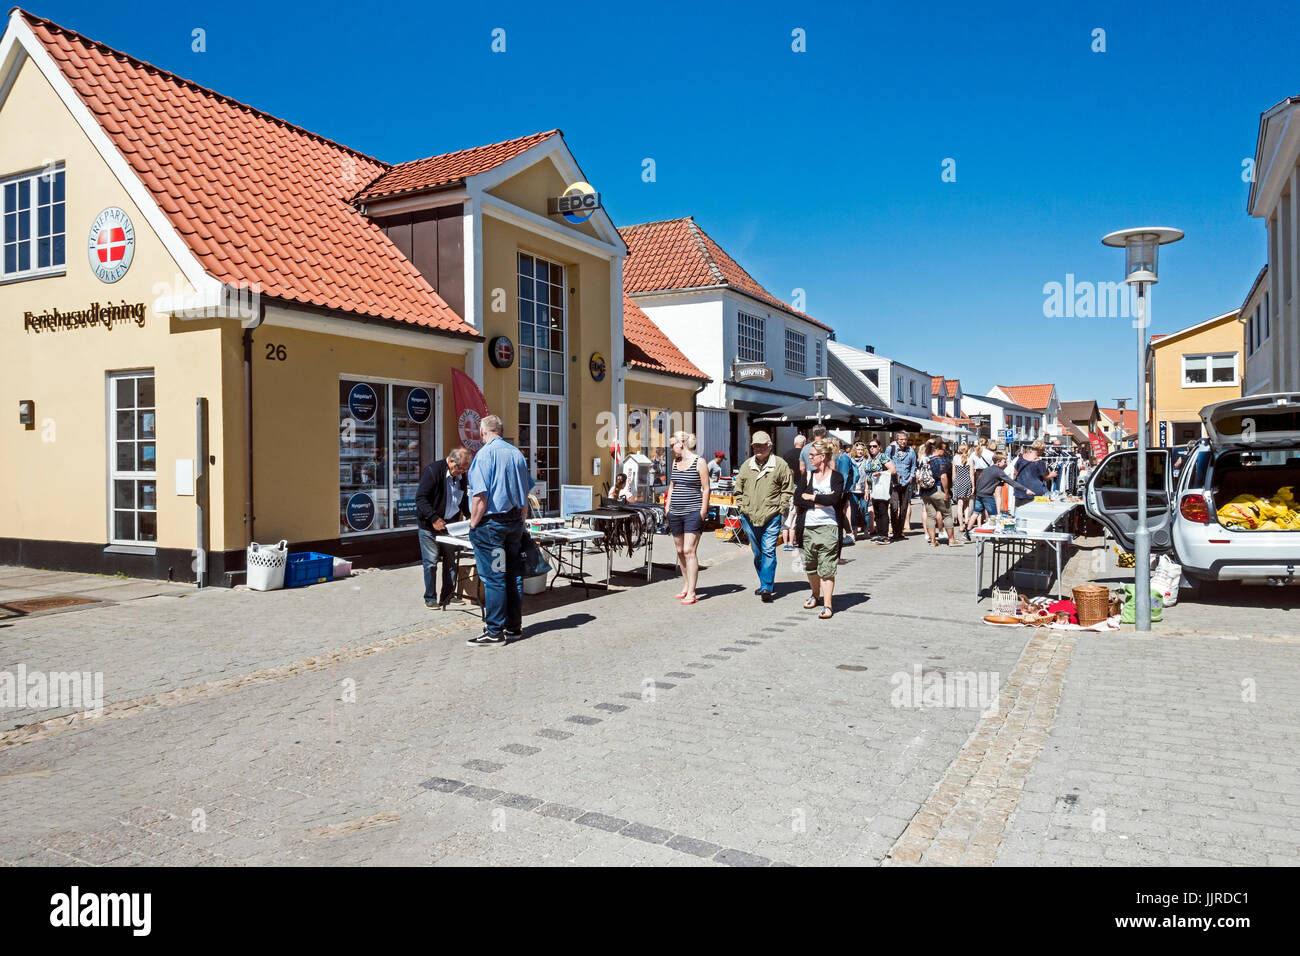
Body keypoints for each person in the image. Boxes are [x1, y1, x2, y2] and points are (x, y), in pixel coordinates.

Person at [465, 415, 533, 646]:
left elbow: (480, 497)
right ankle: (514, 627)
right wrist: (521, 524)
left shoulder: (484, 455)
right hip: (513, 522)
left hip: (492, 526)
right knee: (513, 575)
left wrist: (473, 524)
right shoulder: (516, 454)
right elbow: (525, 497)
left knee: (494, 578)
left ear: (482, 432)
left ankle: (494, 630)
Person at [734, 431, 794, 603]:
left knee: (768, 550)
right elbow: (738, 488)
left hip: (772, 515)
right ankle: (765, 582)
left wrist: (781, 507)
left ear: (770, 446)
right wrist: (742, 505)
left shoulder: (780, 465)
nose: (758, 448)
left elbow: (787, 488)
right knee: (757, 552)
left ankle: (767, 586)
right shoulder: (747, 465)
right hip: (749, 516)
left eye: (761, 445)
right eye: (755, 446)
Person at [415, 447, 472, 609]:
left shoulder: (461, 475)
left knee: (450, 561)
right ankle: (430, 597)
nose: (461, 471)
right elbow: (420, 499)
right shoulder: (433, 471)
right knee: (431, 562)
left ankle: (447, 595)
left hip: (450, 526)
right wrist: (433, 518)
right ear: (451, 461)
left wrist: (468, 514)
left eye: (464, 469)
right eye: (459, 467)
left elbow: (462, 498)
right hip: (430, 525)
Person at [794, 438, 845, 619]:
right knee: (811, 567)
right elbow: (797, 499)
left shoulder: (836, 477)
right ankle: (815, 594)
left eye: (812, 455)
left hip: (829, 527)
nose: (809, 458)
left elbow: (834, 500)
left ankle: (828, 604)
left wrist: (812, 497)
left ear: (822, 457)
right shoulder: (807, 476)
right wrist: (817, 500)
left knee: (827, 568)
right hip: (807, 527)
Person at [665, 430, 710, 605]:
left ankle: (692, 591)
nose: (671, 449)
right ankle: (686, 585)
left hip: (693, 511)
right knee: (679, 551)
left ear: (680, 444)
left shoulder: (700, 462)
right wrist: (667, 506)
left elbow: (706, 488)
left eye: (671, 445)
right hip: (675, 512)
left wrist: (703, 511)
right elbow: (672, 485)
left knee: (689, 550)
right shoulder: (676, 463)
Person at [975, 452, 1034, 519]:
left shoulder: (986, 469)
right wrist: (1025, 489)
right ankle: (994, 527)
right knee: (994, 516)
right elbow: (1012, 482)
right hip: (987, 496)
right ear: (998, 462)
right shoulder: (998, 471)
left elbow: (979, 480)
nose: (1006, 464)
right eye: (1004, 462)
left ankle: (968, 528)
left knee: (976, 513)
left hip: (979, 494)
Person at [860, 438, 895, 543]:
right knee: (877, 511)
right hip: (873, 488)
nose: (872, 448)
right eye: (870, 446)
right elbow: (867, 475)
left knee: (882, 510)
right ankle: (879, 534)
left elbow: (893, 470)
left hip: (882, 487)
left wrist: (881, 473)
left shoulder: (883, 457)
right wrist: (866, 490)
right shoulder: (870, 459)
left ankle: (884, 536)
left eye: (874, 446)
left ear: (879, 447)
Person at [922, 439, 956, 547]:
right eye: (943, 449)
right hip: (938, 489)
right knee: (947, 514)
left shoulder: (926, 460)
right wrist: (946, 492)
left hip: (926, 491)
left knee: (930, 516)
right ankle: (951, 540)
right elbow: (943, 477)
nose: (944, 452)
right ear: (937, 449)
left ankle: (933, 540)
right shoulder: (941, 461)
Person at [886, 431, 917, 542]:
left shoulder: (911, 451)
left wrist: (911, 476)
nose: (903, 441)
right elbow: (885, 461)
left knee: (904, 508)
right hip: (894, 482)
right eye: (901, 439)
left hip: (905, 482)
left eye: (905, 439)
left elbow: (914, 465)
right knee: (894, 507)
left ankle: (900, 530)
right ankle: (895, 531)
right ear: (897, 440)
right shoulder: (891, 450)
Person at [1009, 445, 1055, 510]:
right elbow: (1045, 477)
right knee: (1033, 514)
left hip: (1020, 491)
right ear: (1040, 450)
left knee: (1019, 513)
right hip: (1034, 491)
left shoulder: (1021, 458)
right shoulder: (1040, 463)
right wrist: (1052, 475)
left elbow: (1015, 473)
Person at [781, 435, 806, 551]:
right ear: (804, 443)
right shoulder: (804, 455)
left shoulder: (786, 455)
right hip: (799, 487)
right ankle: (792, 541)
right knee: (795, 515)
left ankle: (786, 542)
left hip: (787, 486)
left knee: (785, 517)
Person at [950, 442, 976, 542]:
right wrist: (973, 486)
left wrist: (954, 484)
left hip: (958, 482)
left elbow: (953, 474)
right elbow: (972, 475)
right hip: (967, 482)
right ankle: (966, 521)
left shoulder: (955, 459)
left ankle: (961, 525)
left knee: (959, 505)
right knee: (967, 504)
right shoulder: (970, 459)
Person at [833, 438, 857, 545]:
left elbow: (844, 475)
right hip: (839, 489)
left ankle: (849, 534)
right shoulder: (838, 457)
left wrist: (840, 491)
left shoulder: (842, 458)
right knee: (837, 512)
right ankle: (843, 534)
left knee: (839, 512)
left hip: (842, 490)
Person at [848, 440, 872, 540]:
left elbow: (868, 476)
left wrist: (867, 490)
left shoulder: (867, 461)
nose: (860, 451)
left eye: (862, 450)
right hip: (853, 490)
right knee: (853, 511)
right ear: (855, 450)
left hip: (863, 489)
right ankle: (854, 531)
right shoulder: (850, 460)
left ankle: (866, 529)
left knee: (864, 510)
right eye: (858, 449)